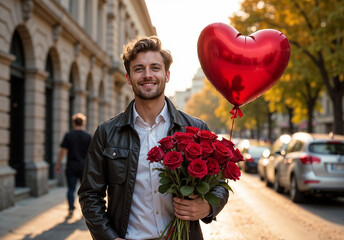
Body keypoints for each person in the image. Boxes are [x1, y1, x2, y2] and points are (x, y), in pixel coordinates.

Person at [78, 36, 229, 240]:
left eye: (155, 68)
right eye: (139, 69)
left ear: (166, 75)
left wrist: (208, 206)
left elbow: (219, 183)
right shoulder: (106, 132)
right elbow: (90, 195)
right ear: (128, 78)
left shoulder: (195, 129)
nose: (147, 75)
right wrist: (109, 238)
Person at [56, 113, 92, 218]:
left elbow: (62, 151)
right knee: (85, 191)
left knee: (71, 189)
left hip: (71, 167)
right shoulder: (88, 136)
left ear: (73, 123)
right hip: (84, 168)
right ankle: (85, 211)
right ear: (83, 123)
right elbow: (92, 153)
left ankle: (71, 209)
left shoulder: (69, 135)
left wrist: (58, 164)